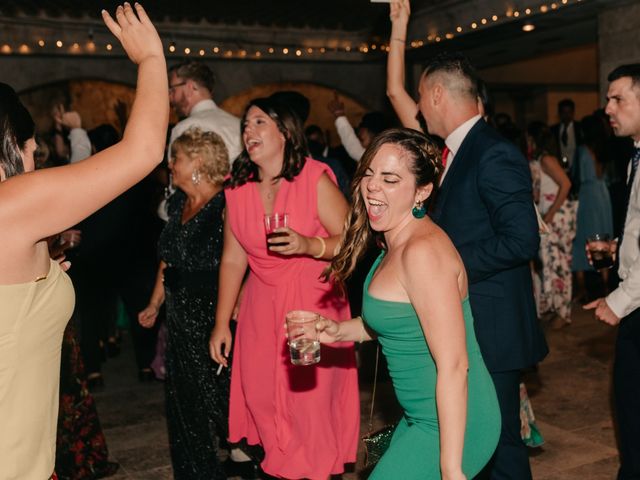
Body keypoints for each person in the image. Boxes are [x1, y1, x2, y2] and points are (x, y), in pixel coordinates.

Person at [0, 4, 168, 479]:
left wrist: (43, 265)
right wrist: (151, 61)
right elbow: (144, 150)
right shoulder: (11, 201)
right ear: (13, 145)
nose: (34, 164)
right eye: (34, 152)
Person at [316, 128, 501, 479]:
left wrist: (450, 467)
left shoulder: (422, 253)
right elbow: (399, 321)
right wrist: (338, 329)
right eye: (369, 173)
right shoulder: (394, 241)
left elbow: (454, 364)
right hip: (422, 417)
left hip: (454, 424)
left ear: (422, 191)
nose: (372, 186)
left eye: (389, 179)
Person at [209, 97, 359, 479]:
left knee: (308, 406)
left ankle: (312, 471)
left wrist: (310, 245)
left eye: (259, 122)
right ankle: (282, 468)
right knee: (263, 399)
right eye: (246, 124)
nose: (248, 130)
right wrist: (221, 322)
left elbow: (351, 241)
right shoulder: (236, 188)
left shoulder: (312, 178)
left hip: (310, 303)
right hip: (261, 303)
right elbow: (232, 259)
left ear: (285, 132)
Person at [418, 52, 548, 479]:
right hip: (471, 319)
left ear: (437, 95)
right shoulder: (457, 151)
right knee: (478, 439)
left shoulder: (493, 152)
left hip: (493, 325)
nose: (418, 109)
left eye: (421, 98)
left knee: (500, 443)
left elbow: (521, 239)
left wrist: (448, 264)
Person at [138, 128, 232, 479]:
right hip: (178, 318)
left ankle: (276, 463)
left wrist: (234, 308)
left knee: (223, 404)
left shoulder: (226, 205)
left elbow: (244, 260)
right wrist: (154, 304)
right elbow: (168, 260)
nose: (169, 165)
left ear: (197, 161)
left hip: (212, 317)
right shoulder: (178, 203)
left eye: (175, 157)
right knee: (183, 408)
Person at [584, 63, 640, 480]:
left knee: (633, 406)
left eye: (618, 98)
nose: (608, 107)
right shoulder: (634, 157)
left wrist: (620, 300)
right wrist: (619, 249)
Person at [527, 121, 576, 328]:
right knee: (550, 263)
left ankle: (564, 313)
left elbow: (566, 184)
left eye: (528, 137)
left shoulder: (547, 158)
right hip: (548, 214)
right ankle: (555, 307)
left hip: (556, 217)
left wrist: (549, 215)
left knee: (560, 263)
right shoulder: (539, 159)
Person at [571, 114, 614, 301]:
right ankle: (605, 286)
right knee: (602, 237)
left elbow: (576, 176)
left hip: (588, 195)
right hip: (603, 195)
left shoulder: (582, 150)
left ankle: (582, 288)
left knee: (581, 237)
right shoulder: (604, 148)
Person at [168, 60, 242, 162]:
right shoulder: (238, 124)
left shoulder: (183, 129)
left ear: (190, 87)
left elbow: (178, 177)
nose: (170, 97)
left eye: (172, 90)